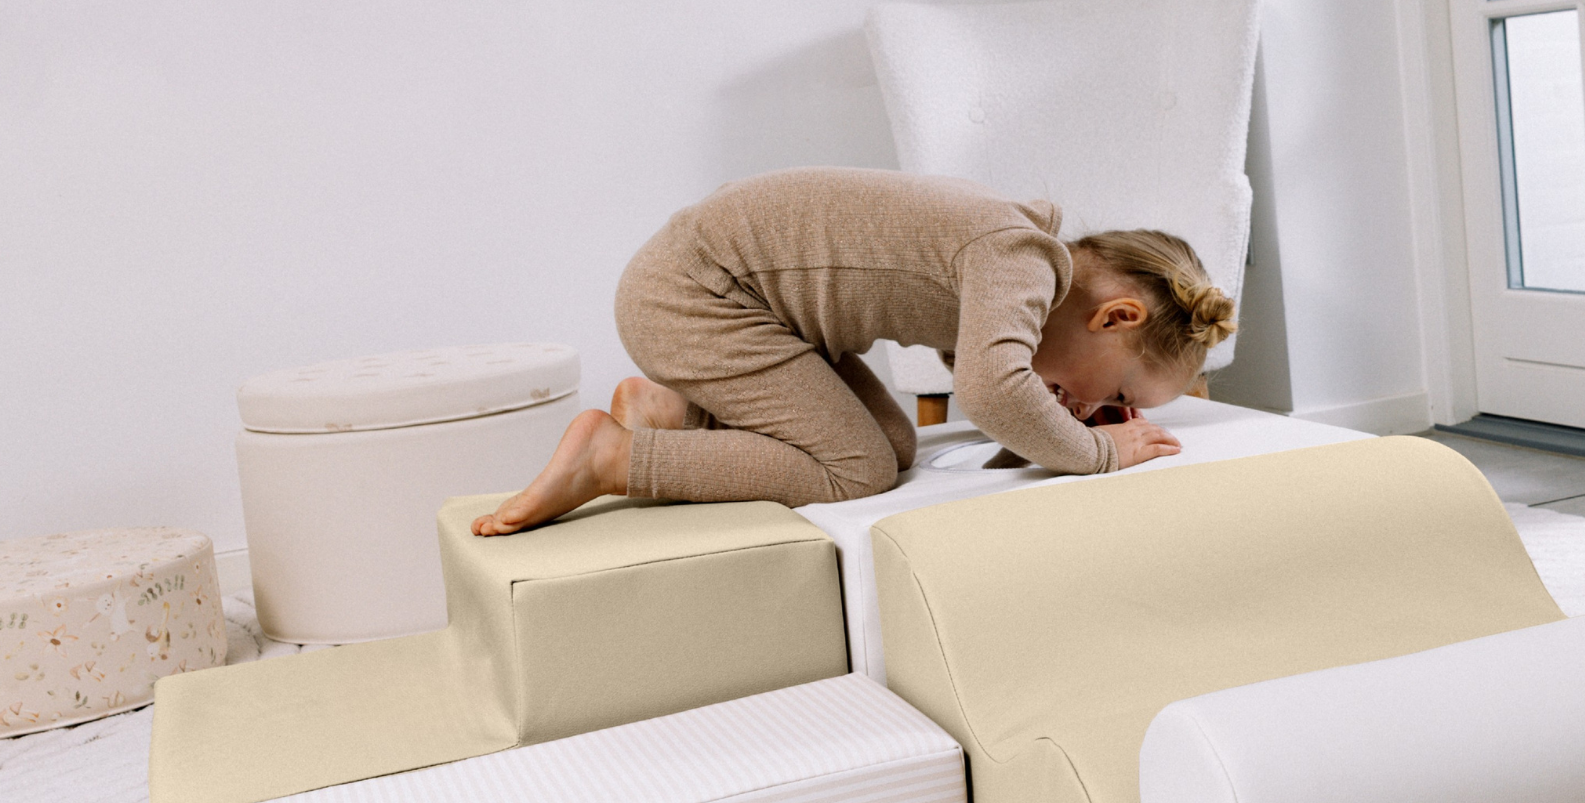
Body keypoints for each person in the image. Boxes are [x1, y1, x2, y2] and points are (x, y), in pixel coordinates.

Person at [473, 166, 1237, 534]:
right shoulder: (1020, 258)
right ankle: (613, 458)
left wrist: (1052, 428)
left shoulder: (1025, 267)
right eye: (1121, 394)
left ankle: (681, 415)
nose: (1107, 411)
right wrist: (1102, 453)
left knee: (895, 443)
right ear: (1116, 318)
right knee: (855, 471)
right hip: (694, 297)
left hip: (747, 307)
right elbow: (993, 390)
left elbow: (990, 378)